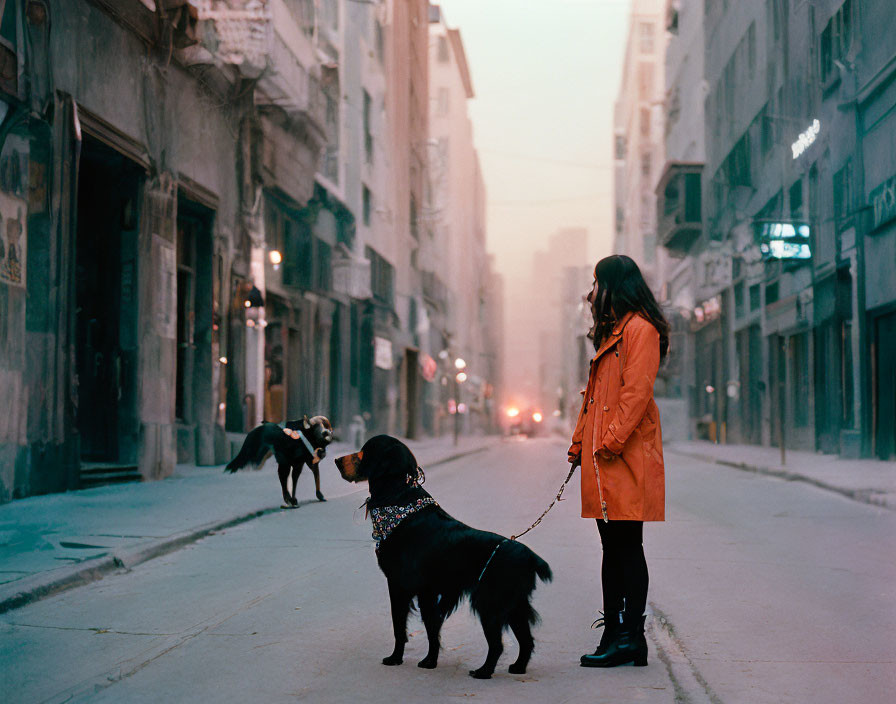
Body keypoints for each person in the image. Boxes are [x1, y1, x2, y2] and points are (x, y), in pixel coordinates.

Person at [567, 254, 668, 668]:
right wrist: (578, 445)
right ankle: (617, 634)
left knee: (627, 548)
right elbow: (592, 400)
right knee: (614, 548)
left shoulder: (640, 331)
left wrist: (607, 444)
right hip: (604, 459)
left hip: (623, 458)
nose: (590, 293)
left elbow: (635, 395)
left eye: (595, 283)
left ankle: (630, 638)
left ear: (612, 287)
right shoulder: (613, 335)